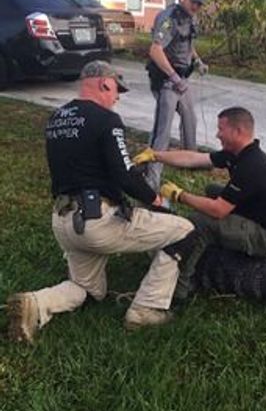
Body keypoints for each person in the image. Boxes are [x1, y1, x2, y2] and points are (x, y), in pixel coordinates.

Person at [6, 61, 195, 343]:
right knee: (185, 230)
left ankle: (36, 303)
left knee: (89, 289)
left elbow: (86, 164)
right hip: (97, 221)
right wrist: (155, 199)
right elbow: (124, 175)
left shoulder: (57, 118)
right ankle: (147, 308)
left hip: (64, 222)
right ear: (104, 83)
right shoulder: (107, 120)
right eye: (116, 90)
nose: (117, 97)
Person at [132, 107, 266, 301]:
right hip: (256, 214)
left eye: (221, 129)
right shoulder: (238, 153)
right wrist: (156, 155)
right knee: (213, 189)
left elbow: (218, 210)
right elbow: (194, 159)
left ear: (237, 131)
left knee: (197, 223)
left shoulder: (252, 166)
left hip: (265, 236)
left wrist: (180, 195)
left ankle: (180, 288)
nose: (217, 134)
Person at [144, 0, 209, 189]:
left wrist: (197, 61)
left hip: (182, 78)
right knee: (162, 131)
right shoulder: (169, 18)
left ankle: (190, 163)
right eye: (193, 1)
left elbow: (187, 44)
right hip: (166, 80)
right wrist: (174, 78)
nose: (196, 6)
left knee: (190, 120)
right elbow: (155, 50)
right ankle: (151, 177)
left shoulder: (191, 18)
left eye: (199, 4)